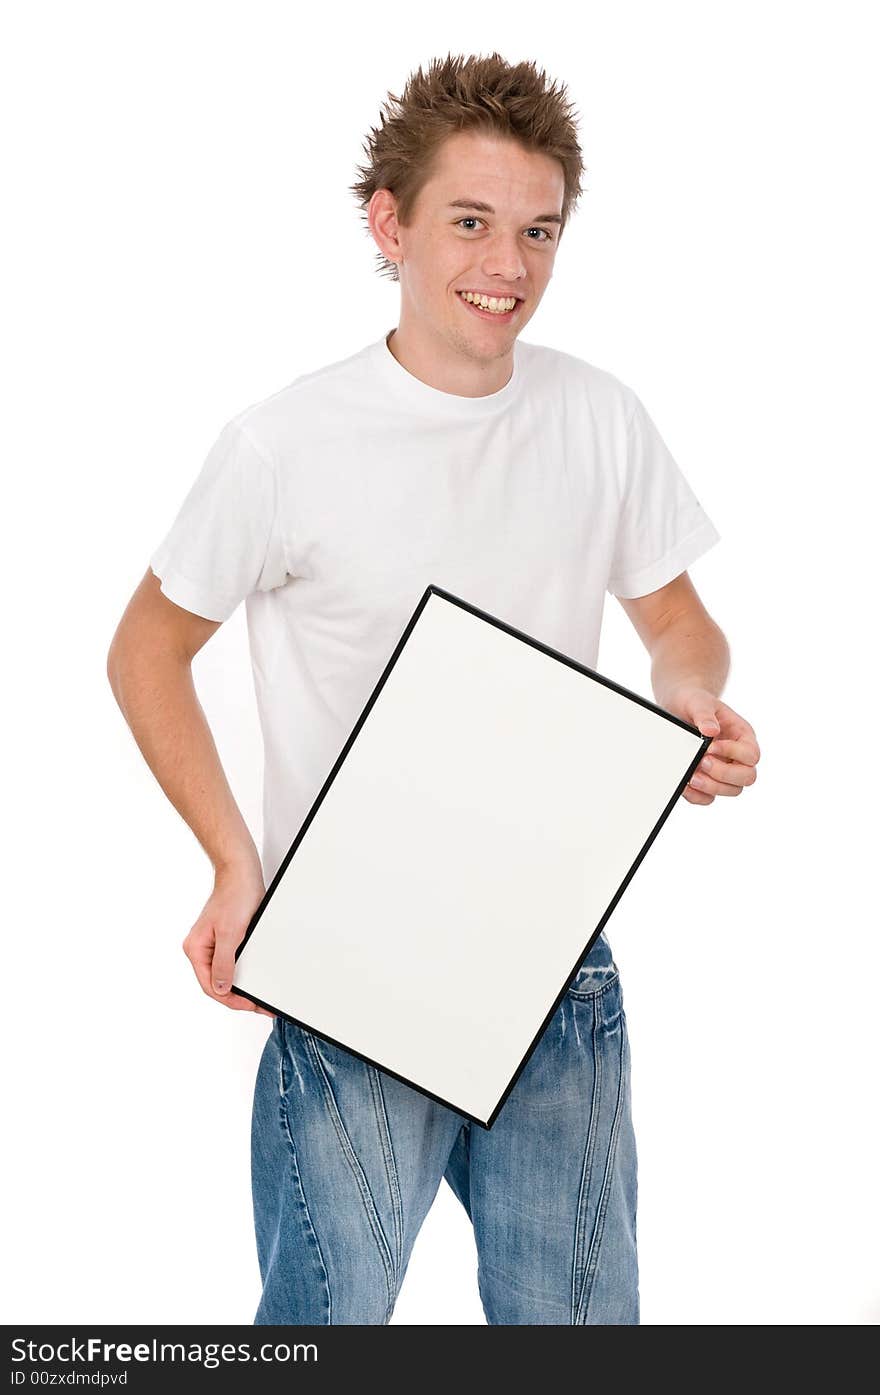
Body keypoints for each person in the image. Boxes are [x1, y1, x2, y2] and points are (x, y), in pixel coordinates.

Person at [107, 52, 760, 1326]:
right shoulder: (285, 445)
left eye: (536, 232)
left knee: (579, 1330)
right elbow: (145, 652)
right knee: (325, 1330)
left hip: (554, 962)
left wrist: (688, 703)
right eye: (470, 222)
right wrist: (235, 865)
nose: (505, 267)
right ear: (388, 222)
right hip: (352, 968)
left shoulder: (597, 417)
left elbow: (681, 625)